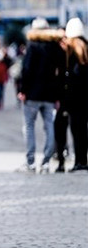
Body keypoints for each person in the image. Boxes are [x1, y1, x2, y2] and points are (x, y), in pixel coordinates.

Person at [15, 17, 62, 174]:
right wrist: (57, 95)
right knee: (49, 126)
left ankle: (31, 162)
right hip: (49, 95)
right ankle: (46, 162)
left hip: (32, 95)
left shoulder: (33, 46)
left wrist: (22, 90)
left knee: (29, 127)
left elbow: (27, 70)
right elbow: (58, 74)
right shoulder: (55, 47)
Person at [56, 17, 88, 172]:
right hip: (84, 99)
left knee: (77, 131)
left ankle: (80, 161)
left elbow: (70, 79)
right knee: (84, 131)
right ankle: (83, 160)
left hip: (75, 100)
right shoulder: (85, 48)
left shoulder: (73, 53)